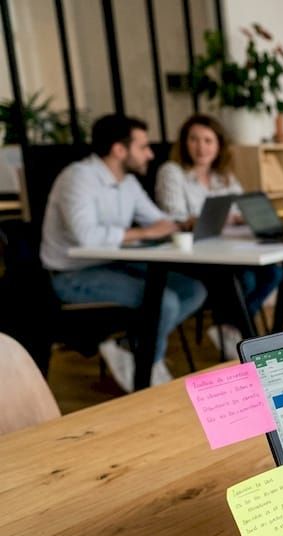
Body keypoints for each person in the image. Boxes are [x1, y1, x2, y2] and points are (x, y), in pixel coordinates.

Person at [41, 114, 206, 392]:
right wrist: (144, 233)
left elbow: (158, 221)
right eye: (143, 147)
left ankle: (130, 347)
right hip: (72, 274)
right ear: (120, 150)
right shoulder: (78, 178)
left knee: (193, 290)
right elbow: (87, 237)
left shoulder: (128, 183)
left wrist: (186, 222)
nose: (150, 154)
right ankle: (146, 368)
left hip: (113, 266)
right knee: (163, 302)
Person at [155, 113, 282, 359]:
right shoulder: (172, 171)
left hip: (225, 249)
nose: (201, 147)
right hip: (191, 254)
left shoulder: (223, 175)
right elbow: (176, 216)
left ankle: (230, 327)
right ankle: (236, 330)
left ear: (218, 145)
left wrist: (249, 215)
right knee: (243, 278)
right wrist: (215, 218)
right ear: (184, 143)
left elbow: (236, 210)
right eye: (194, 139)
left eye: (207, 140)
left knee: (273, 272)